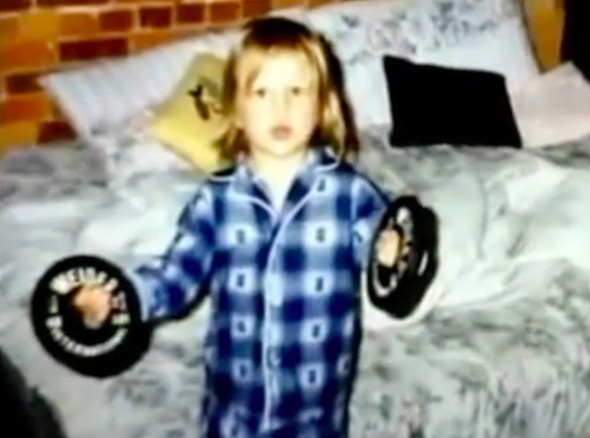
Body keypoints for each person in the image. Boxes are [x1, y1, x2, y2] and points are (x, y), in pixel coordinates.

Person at [72, 16, 402, 438]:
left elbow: (388, 251)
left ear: (322, 106)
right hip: (233, 416)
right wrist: (120, 296)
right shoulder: (218, 200)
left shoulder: (350, 194)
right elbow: (176, 275)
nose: (280, 108)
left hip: (316, 419)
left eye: (296, 92)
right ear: (237, 112)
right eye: (262, 93)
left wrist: (392, 250)